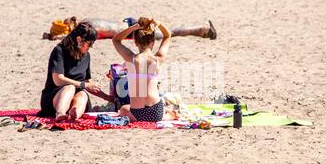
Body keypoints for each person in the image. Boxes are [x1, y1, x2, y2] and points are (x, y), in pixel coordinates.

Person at [38, 21, 113, 121]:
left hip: (75, 95)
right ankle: (60, 113)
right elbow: (58, 80)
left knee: (82, 94)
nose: (90, 47)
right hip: (54, 97)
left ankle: (74, 114)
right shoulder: (59, 51)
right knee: (70, 88)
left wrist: (107, 97)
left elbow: (87, 82)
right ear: (79, 40)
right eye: (89, 44)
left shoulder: (86, 56)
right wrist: (83, 85)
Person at [112, 17, 171, 122]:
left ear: (136, 43)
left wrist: (133, 27)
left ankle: (167, 115)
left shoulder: (131, 59)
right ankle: (168, 116)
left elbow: (116, 40)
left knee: (123, 109)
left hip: (137, 114)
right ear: (153, 42)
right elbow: (167, 36)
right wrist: (159, 23)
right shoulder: (158, 59)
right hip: (156, 112)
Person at [43, 17, 216, 41]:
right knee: (169, 32)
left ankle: (203, 29)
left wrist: (58, 37)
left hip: (131, 30)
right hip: (129, 25)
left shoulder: (85, 27)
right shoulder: (87, 21)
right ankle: (202, 29)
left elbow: (73, 37)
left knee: (169, 33)